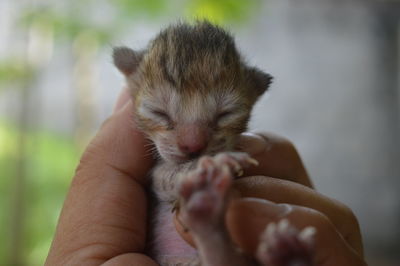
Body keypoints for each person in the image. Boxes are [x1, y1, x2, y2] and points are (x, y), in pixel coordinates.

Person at [45, 89, 367, 266]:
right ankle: (213, 233)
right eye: (162, 112)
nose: (193, 142)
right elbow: (164, 182)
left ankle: (218, 235)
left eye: (223, 115)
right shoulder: (140, 164)